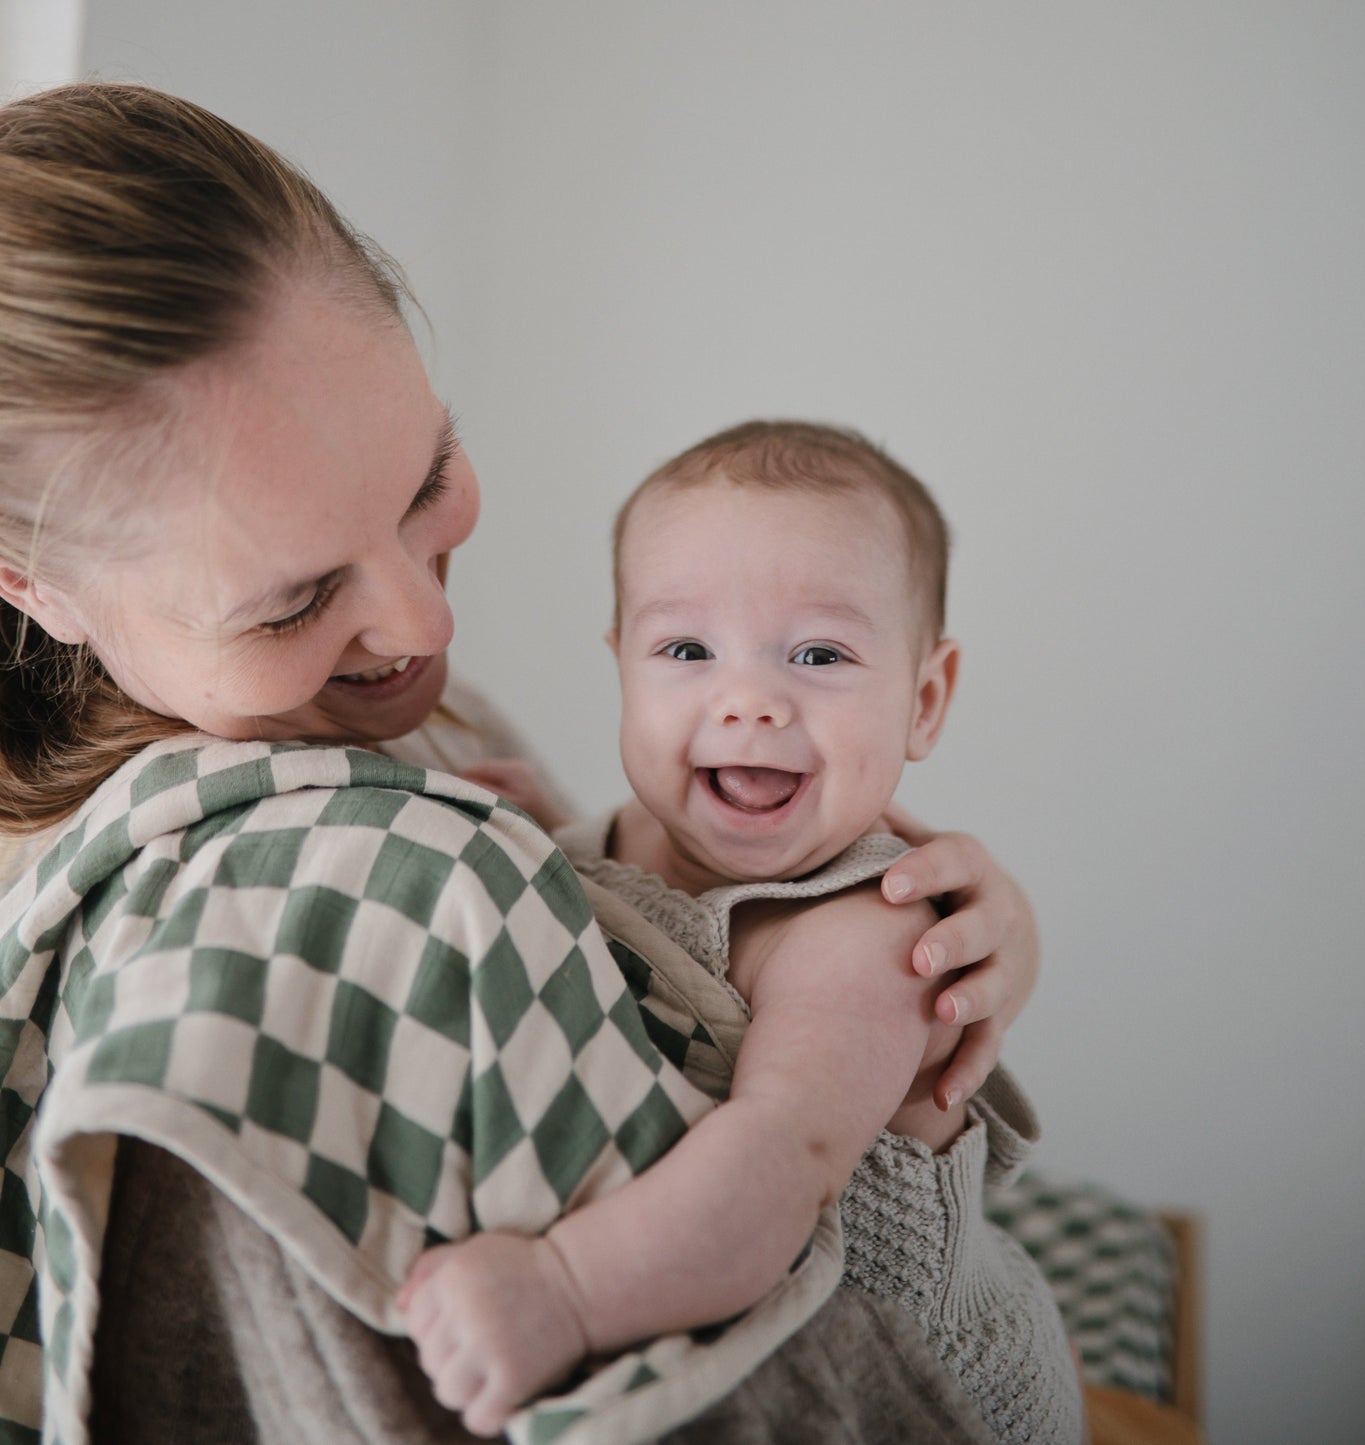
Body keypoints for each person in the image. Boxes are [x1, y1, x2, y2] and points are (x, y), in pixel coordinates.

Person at [0, 83, 1041, 1444]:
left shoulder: (432, 726)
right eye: (293, 598)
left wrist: (974, 927)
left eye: (427, 474)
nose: (425, 623)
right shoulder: (312, 894)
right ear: (37, 589)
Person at [399, 422, 1082, 1444]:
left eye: (818, 653)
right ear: (623, 665)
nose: (750, 700)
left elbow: (775, 1167)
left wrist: (562, 1291)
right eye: (685, 649)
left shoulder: (864, 931)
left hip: (911, 1391)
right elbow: (653, 934)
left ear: (923, 699)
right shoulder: (619, 839)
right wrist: (549, 843)